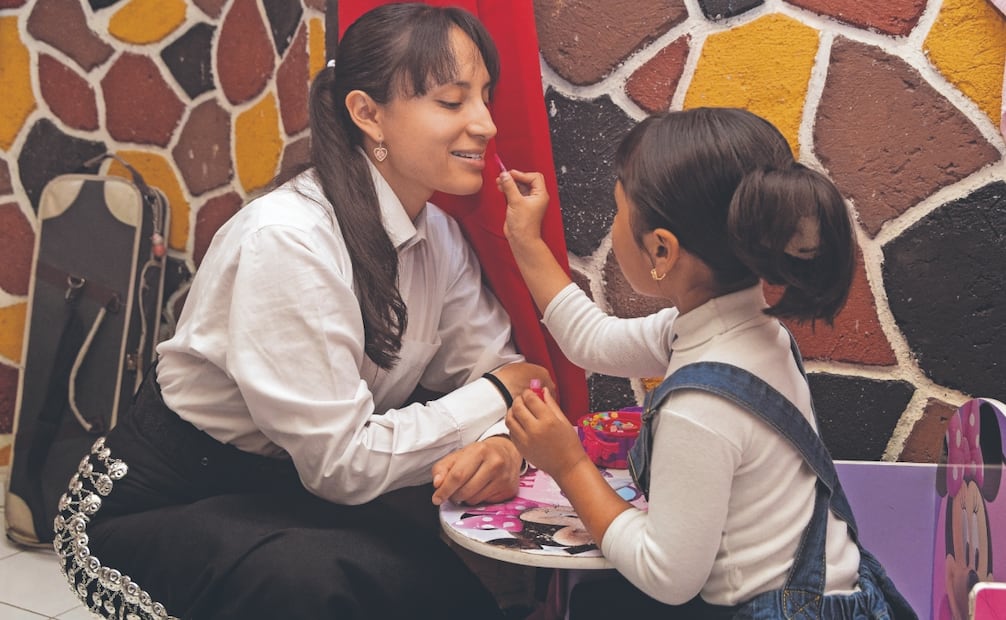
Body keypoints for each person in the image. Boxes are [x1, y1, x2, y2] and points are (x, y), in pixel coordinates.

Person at [52, 4, 553, 619]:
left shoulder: (440, 238)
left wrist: (502, 444)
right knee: (320, 588)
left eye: (485, 97)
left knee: (444, 593)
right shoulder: (288, 239)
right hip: (162, 505)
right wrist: (500, 395)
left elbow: (499, 369)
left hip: (291, 499)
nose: (485, 123)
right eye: (452, 102)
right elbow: (344, 462)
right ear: (367, 113)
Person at [498, 107, 916, 618]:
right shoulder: (744, 328)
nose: (612, 226)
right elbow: (593, 341)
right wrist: (525, 241)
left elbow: (664, 574)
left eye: (617, 213)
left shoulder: (699, 406)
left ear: (661, 250)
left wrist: (567, 464)